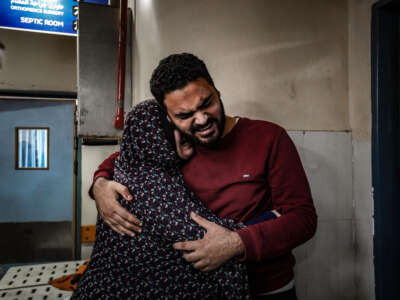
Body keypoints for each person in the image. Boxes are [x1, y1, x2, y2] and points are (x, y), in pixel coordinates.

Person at [91, 53, 317, 299]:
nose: (201, 120)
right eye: (184, 115)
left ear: (217, 91)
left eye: (206, 103)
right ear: (169, 117)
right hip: (198, 290)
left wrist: (236, 243)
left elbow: (302, 218)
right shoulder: (176, 145)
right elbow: (129, 160)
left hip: (266, 288)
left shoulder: (269, 138)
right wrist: (100, 184)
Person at [73, 100, 251, 299]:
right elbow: (211, 239)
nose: (188, 130)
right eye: (175, 126)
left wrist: (100, 180)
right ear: (154, 136)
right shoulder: (152, 185)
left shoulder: (129, 166)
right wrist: (264, 221)